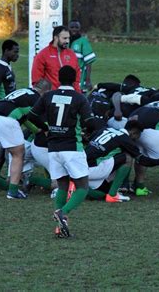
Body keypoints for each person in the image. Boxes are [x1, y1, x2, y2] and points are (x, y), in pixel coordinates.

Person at [28, 66, 94, 238]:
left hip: (53, 148)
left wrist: (46, 128)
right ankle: (62, 213)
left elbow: (32, 115)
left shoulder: (48, 96)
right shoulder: (79, 98)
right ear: (74, 80)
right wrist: (87, 131)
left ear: (58, 78)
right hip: (72, 148)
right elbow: (89, 121)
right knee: (83, 187)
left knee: (63, 185)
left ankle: (59, 228)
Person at [85, 126, 159, 202]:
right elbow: (142, 160)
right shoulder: (125, 139)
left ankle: (77, 186)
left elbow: (88, 139)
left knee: (102, 194)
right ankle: (113, 195)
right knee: (128, 157)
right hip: (92, 170)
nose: (137, 140)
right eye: (138, 136)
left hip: (80, 166)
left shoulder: (105, 129)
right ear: (133, 133)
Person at [0, 39, 20, 178]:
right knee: (9, 144)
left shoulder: (6, 66)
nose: (17, 55)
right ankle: (11, 176)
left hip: (8, 110)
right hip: (2, 113)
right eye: (15, 51)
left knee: (3, 143)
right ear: (6, 51)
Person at [31, 25, 81, 92]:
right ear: (56, 38)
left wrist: (77, 94)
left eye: (68, 38)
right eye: (64, 38)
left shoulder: (71, 54)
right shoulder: (43, 55)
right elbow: (37, 80)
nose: (67, 41)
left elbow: (76, 78)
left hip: (69, 97)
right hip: (51, 97)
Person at [68, 20, 97, 93]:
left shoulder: (83, 41)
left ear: (79, 28)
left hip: (80, 76)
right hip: (67, 76)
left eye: (76, 27)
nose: (74, 29)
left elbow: (89, 62)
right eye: (72, 27)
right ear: (68, 28)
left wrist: (88, 79)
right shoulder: (65, 41)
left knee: (80, 97)